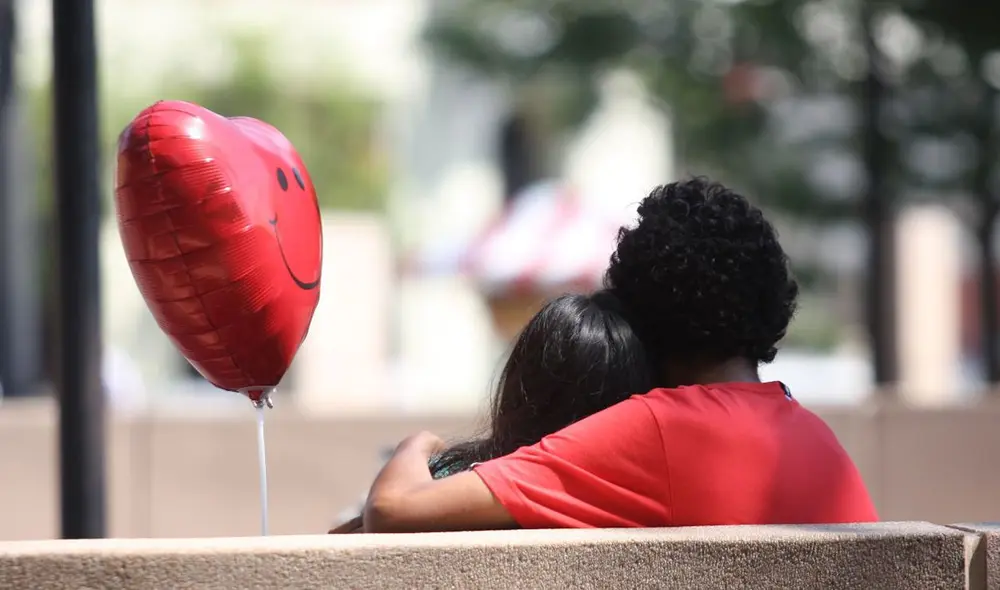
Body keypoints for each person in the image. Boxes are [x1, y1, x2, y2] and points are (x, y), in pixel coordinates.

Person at [350, 178, 877, 533]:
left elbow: (395, 510)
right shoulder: (816, 437)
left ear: (638, 307)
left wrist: (423, 445)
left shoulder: (659, 430)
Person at [330, 290, 653, 533]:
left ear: (521, 384)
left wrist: (416, 444)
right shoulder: (638, 499)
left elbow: (382, 513)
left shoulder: (451, 480)